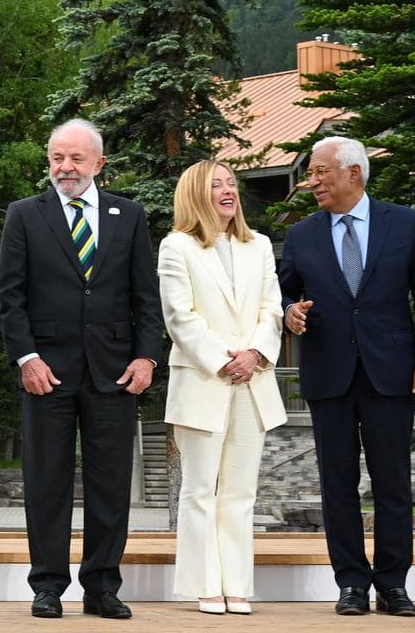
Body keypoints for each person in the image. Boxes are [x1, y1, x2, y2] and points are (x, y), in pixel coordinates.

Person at [0, 119, 163, 620]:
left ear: (99, 163)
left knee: (111, 485)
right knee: (46, 483)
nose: (64, 168)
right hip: (46, 370)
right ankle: (46, 585)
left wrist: (146, 356)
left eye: (75, 159)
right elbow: (9, 297)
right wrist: (26, 358)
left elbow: (145, 297)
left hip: (114, 371)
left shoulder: (128, 215)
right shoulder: (25, 215)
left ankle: (102, 587)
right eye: (56, 159)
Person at [279, 136, 415, 617]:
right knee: (337, 484)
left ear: (353, 173)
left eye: (320, 172)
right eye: (311, 174)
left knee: (392, 482)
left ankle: (393, 584)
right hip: (328, 373)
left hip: (391, 372)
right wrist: (289, 312)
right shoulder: (303, 234)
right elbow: (281, 292)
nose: (312, 182)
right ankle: (351, 583)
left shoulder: (406, 223)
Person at [157, 160, 286, 615]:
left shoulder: (261, 245)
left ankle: (236, 584)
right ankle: (205, 584)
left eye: (231, 182)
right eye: (216, 185)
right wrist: (223, 359)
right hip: (203, 380)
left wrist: (254, 355)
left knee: (240, 491)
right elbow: (180, 316)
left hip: (253, 382)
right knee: (199, 490)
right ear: (197, 193)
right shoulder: (177, 247)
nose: (228, 190)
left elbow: (273, 309)